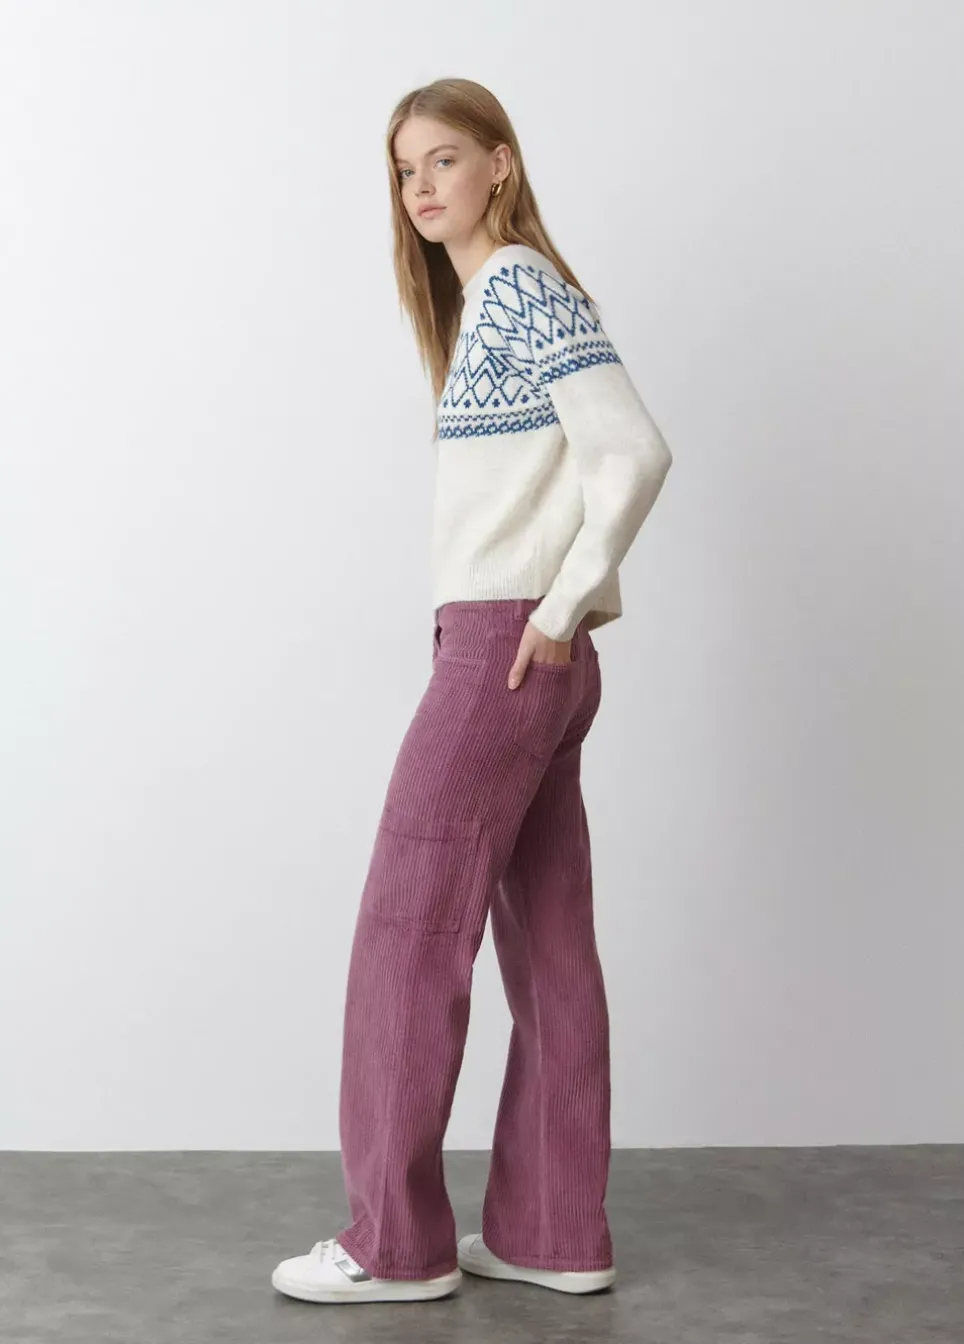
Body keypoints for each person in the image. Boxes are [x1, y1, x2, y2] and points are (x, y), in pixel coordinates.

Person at [271, 77, 673, 1306]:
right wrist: (559, 618)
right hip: (533, 652)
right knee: (548, 943)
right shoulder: (495, 299)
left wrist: (554, 608)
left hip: (507, 647)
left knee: (406, 931)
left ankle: (393, 1246)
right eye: (404, 170)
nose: (421, 187)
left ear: (500, 163)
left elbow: (635, 449)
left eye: (443, 159)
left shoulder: (515, 285)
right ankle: (553, 1231)